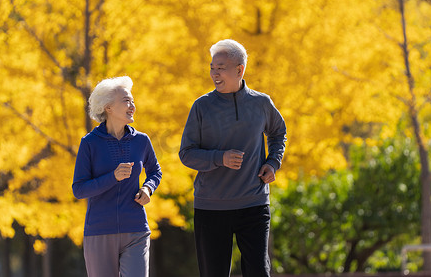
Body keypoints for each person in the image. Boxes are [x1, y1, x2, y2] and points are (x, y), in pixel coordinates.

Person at [179, 39, 287, 277]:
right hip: (211, 206)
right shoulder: (201, 107)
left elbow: (279, 133)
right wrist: (220, 158)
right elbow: (186, 154)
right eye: (212, 68)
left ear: (239, 70)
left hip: (254, 203)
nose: (214, 74)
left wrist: (272, 162)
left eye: (221, 68)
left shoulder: (261, 103)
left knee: (259, 271)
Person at [73, 76, 162, 277]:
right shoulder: (90, 143)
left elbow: (155, 171)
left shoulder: (141, 140)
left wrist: (148, 188)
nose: (132, 106)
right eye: (126, 101)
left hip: (136, 228)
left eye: (132, 100)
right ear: (108, 108)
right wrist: (113, 177)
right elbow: (79, 189)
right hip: (100, 231)